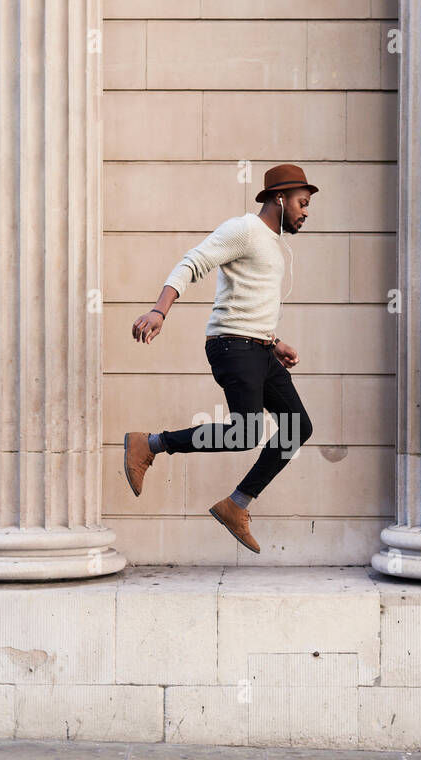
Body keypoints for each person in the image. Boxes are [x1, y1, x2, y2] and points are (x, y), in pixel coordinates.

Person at [123, 164, 318, 554]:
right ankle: (150, 444)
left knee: (298, 427)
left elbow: (249, 300)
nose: (306, 211)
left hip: (259, 349)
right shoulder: (244, 229)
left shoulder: (272, 244)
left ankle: (236, 505)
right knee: (244, 434)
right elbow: (192, 262)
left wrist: (274, 340)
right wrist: (159, 311)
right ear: (280, 197)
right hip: (233, 347)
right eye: (302, 202)